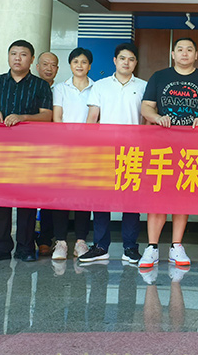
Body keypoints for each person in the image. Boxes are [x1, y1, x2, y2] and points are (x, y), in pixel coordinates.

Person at [141, 37, 198, 271]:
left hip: (191, 146)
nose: (185, 53)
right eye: (180, 49)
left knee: (182, 194)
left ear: (196, 55)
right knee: (158, 194)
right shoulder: (159, 77)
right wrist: (157, 118)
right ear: (173, 54)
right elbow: (146, 107)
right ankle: (152, 247)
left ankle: (176, 246)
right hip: (161, 145)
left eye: (189, 50)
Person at [0, 40, 53, 263]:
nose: (17, 58)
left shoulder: (40, 86)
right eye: (13, 54)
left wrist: (23, 117)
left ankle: (25, 247)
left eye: (23, 54)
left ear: (32, 59)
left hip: (29, 150)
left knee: (26, 200)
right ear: (8, 57)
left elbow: (47, 116)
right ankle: (0, 247)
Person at [79, 43, 147, 264]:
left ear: (135, 63)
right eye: (123, 58)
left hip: (133, 152)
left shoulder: (144, 86)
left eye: (131, 59)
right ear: (115, 61)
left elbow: (147, 120)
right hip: (105, 151)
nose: (126, 62)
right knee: (101, 200)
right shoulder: (100, 86)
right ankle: (100, 246)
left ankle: (130, 247)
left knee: (131, 202)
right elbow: (92, 118)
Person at [49, 48, 95, 261]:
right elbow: (57, 117)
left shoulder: (97, 88)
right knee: (61, 195)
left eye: (84, 62)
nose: (79, 65)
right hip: (64, 148)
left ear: (89, 66)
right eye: (75, 61)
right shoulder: (60, 88)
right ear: (70, 65)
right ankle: (60, 242)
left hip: (88, 150)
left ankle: (80, 241)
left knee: (84, 196)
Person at [35, 51, 59, 256]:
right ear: (37, 67)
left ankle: (46, 238)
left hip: (56, 150)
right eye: (45, 64)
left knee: (51, 196)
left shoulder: (60, 90)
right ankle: (28, 238)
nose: (48, 69)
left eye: (52, 65)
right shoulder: (30, 88)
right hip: (32, 149)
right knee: (30, 195)